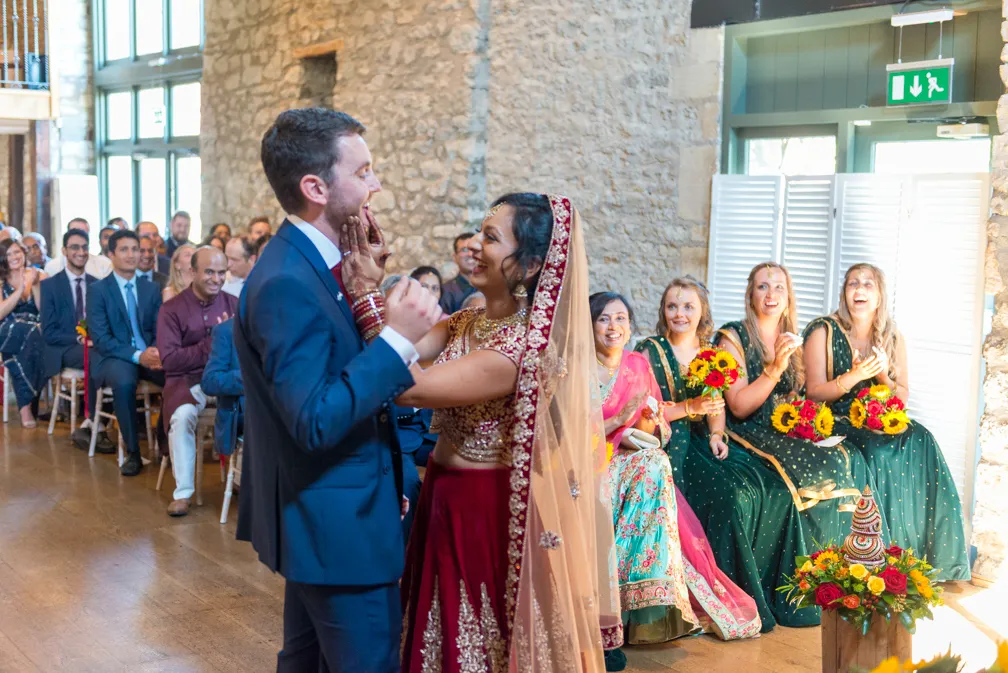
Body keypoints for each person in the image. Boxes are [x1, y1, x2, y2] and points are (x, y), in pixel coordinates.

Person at [235, 108, 441, 672]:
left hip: (325, 518)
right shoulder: (285, 282)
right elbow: (315, 418)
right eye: (365, 171)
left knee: (304, 662)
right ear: (316, 187)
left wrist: (366, 292)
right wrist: (397, 340)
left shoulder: (314, 264)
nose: (377, 184)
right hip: (336, 526)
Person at [395, 193, 622, 672]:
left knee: (478, 639)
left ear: (530, 265)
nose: (474, 245)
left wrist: (382, 311)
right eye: (479, 232)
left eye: (491, 238)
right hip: (443, 493)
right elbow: (386, 352)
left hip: (485, 510)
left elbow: (405, 387)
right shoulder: (467, 321)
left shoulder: (518, 350)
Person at [636, 277, 812, 632]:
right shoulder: (648, 351)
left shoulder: (709, 352)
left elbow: (716, 404)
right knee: (729, 496)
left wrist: (717, 433)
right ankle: (709, 594)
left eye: (689, 307)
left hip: (705, 440)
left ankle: (772, 593)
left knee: (775, 489)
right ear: (663, 311)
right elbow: (643, 410)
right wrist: (689, 407)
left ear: (702, 313)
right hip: (666, 441)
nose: (680, 314)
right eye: (672, 306)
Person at [594, 292, 760, 662]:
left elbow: (653, 423)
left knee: (655, 462)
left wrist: (648, 422)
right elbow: (569, 427)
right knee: (653, 467)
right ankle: (612, 603)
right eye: (604, 319)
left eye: (620, 319)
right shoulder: (580, 367)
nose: (613, 327)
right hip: (588, 460)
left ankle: (641, 597)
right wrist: (617, 424)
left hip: (630, 456)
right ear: (589, 326)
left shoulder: (636, 365)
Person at [803, 264, 970, 581]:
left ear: (879, 296)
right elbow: (813, 393)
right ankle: (882, 556)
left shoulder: (892, 336)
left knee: (922, 438)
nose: (860, 289)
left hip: (879, 416)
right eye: (853, 283)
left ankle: (927, 557)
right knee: (878, 451)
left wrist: (879, 374)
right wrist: (854, 376)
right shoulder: (823, 331)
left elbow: (901, 396)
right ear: (844, 293)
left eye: (868, 284)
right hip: (836, 418)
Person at [713, 262, 883, 551]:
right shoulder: (732, 338)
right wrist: (775, 368)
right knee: (808, 477)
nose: (771, 294)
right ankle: (807, 564)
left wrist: (803, 414)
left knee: (842, 457)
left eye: (779, 287)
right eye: (762, 287)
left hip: (782, 426)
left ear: (789, 296)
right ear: (750, 296)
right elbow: (739, 407)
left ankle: (843, 561)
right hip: (748, 428)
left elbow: (799, 393)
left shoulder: (793, 337)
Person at [157, 246, 237, 517]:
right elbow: (169, 361)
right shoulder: (171, 310)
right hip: (189, 382)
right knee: (183, 415)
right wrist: (214, 343)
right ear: (192, 272)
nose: (216, 279)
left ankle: (242, 480)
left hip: (227, 380)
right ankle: (183, 494)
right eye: (209, 272)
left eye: (221, 272)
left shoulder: (234, 305)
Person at [87, 230, 164, 477]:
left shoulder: (151, 289)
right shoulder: (98, 290)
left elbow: (156, 328)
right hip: (114, 356)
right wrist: (136, 355)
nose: (132, 255)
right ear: (111, 254)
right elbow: (101, 339)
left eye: (135, 249)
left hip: (148, 353)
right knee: (124, 381)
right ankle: (132, 452)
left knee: (178, 374)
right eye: (124, 249)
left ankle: (166, 443)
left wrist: (155, 350)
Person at [39, 230, 114, 452]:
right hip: (62, 347)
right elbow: (49, 331)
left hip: (94, 344)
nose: (81, 252)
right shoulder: (50, 286)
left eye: (84, 247)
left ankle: (94, 421)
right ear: (64, 251)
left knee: (114, 357)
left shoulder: (97, 284)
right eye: (74, 247)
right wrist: (81, 338)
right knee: (97, 358)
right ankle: (95, 422)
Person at [0, 239, 47, 427]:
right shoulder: (1, 279)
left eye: (17, 252)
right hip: (6, 328)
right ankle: (28, 403)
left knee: (33, 337)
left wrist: (34, 285)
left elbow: (43, 310)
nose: (14, 257)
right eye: (9, 254)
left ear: (24, 253)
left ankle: (25, 406)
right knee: (32, 333)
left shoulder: (39, 275)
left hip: (33, 331)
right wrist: (20, 289)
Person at [202, 317, 243, 473]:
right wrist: (251, 377)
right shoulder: (227, 330)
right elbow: (209, 381)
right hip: (246, 415)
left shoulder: (290, 326)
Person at [45, 218, 114, 279]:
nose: (79, 237)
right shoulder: (52, 267)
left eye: (84, 233)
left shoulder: (104, 264)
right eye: (74, 232)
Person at [438, 232, 477, 313]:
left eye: (473, 249)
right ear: (455, 257)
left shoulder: (491, 287)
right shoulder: (445, 291)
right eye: (464, 250)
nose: (470, 254)